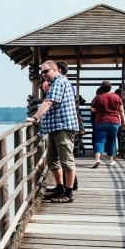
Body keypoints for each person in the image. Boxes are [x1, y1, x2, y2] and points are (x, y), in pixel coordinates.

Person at [25, 60, 79, 203]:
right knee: (52, 159)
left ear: (55, 70)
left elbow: (48, 102)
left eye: (46, 71)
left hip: (63, 126)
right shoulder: (55, 83)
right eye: (42, 72)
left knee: (66, 161)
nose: (43, 74)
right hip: (55, 127)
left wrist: (35, 117)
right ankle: (60, 188)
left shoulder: (59, 82)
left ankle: (68, 194)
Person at [89, 81, 125, 167]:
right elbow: (121, 110)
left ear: (101, 88)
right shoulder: (116, 97)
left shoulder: (98, 97)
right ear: (110, 88)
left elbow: (93, 110)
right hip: (114, 122)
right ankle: (110, 160)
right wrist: (124, 122)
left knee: (99, 141)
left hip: (101, 121)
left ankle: (97, 159)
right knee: (111, 141)